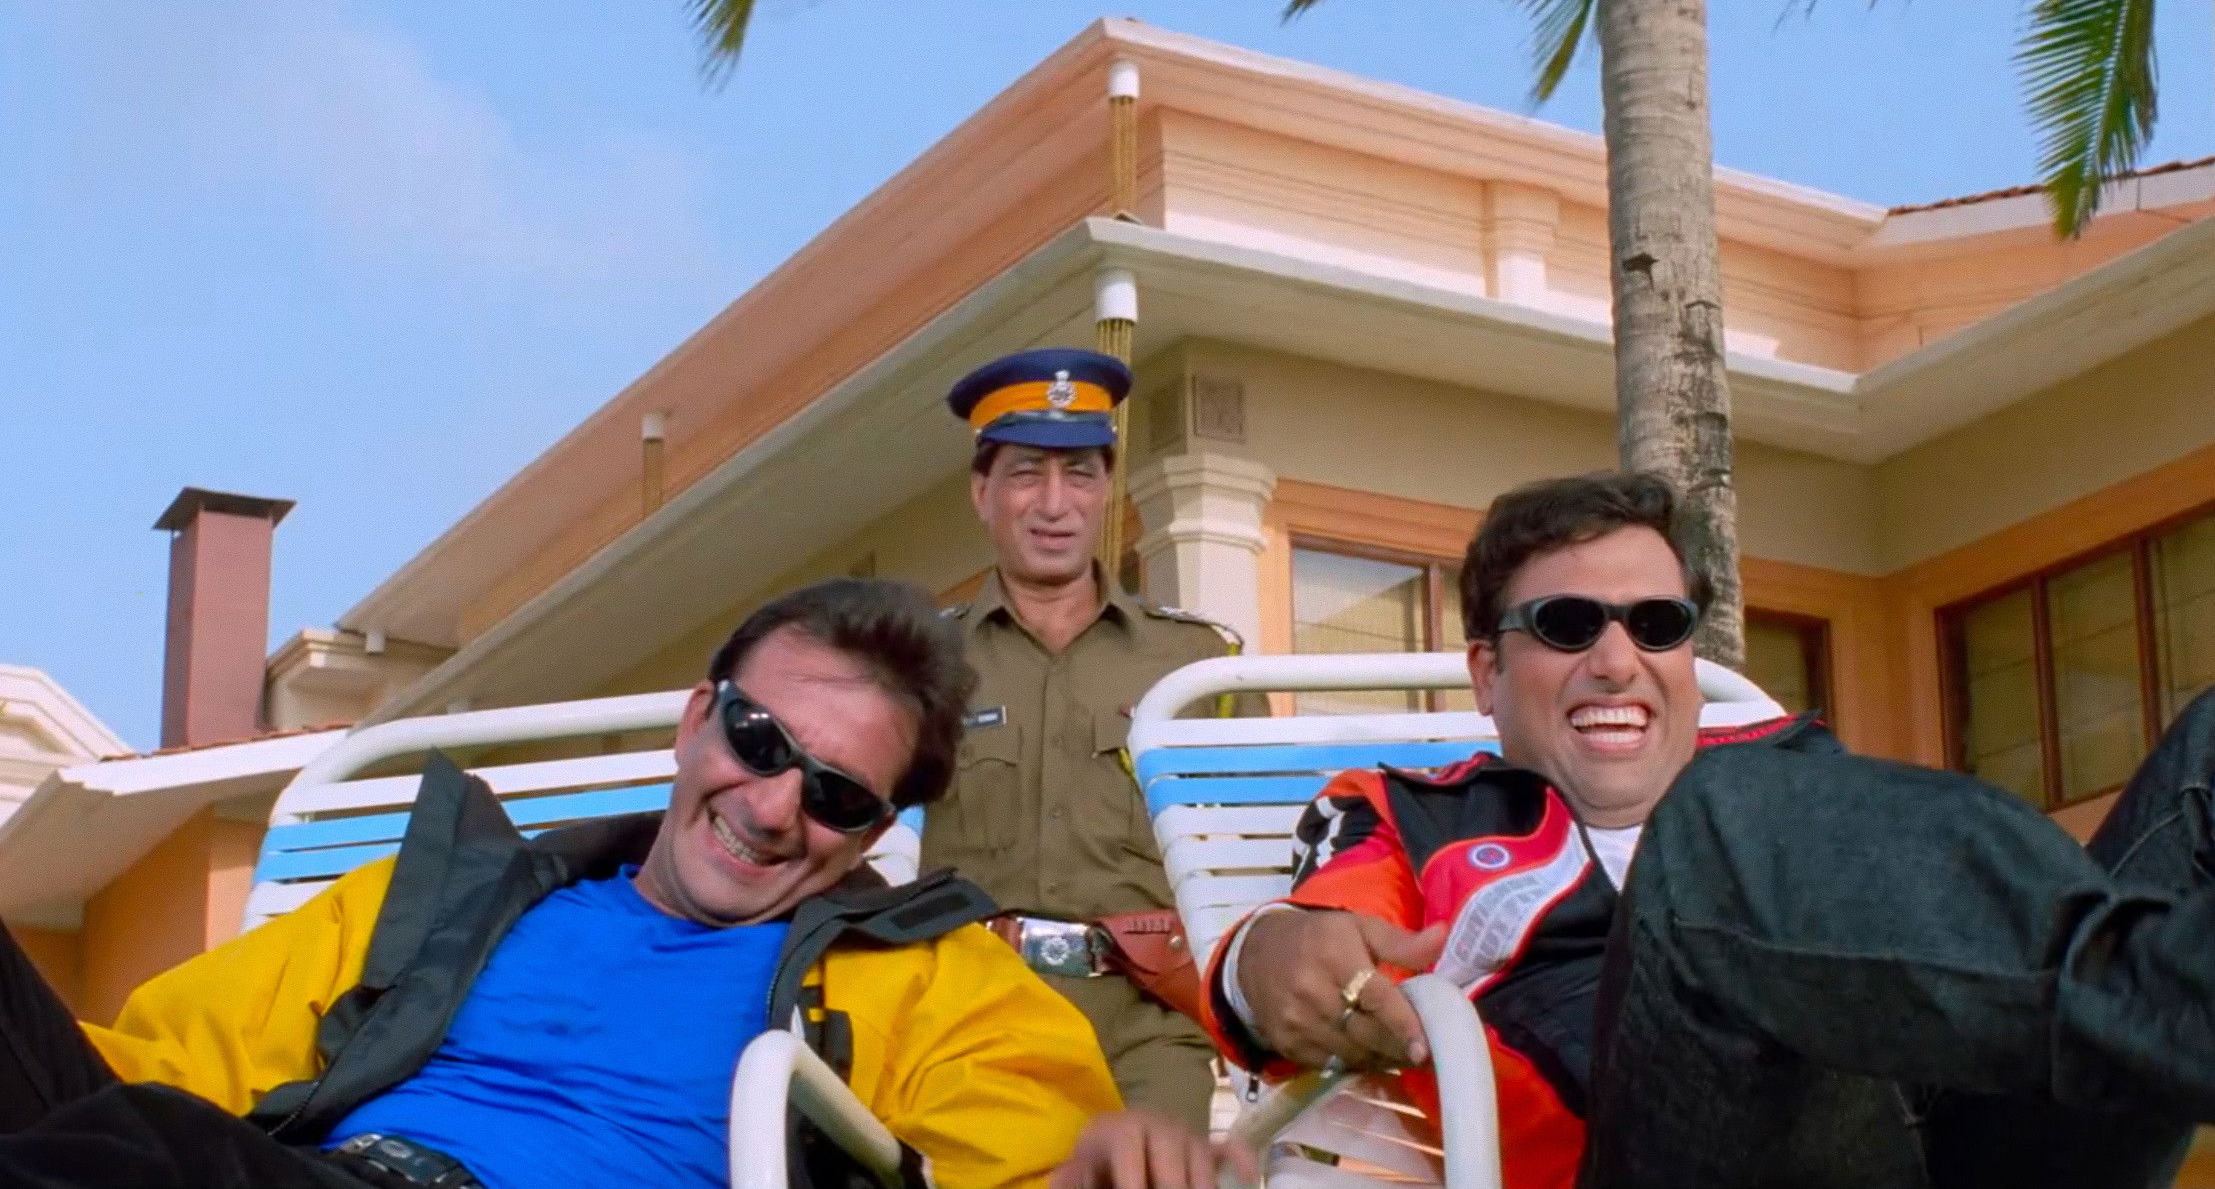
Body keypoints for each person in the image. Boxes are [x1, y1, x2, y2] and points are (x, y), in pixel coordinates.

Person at [0, 578, 1240, 1189]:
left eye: (836, 794)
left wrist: (1097, 1167)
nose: (773, 806)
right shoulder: (432, 901)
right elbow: (155, 1064)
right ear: (699, 719)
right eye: (757, 739)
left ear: (875, 830)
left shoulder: (943, 988)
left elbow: (1029, 1163)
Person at [1206, 472, 2215, 1188]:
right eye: (1565, 625)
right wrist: (1266, 956)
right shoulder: (1407, 812)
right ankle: (2163, 999)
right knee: (1717, 819)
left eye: (1655, 625)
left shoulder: (1786, 766)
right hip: (1663, 1154)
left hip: (1984, 1136)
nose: (1617, 661)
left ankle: (2160, 995)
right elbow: (1304, 950)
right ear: (1485, 671)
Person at [927, 348, 1260, 1133]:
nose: (1055, 504)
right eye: (1025, 475)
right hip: (971, 1012)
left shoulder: (1197, 663)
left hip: (1150, 1020)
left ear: (1105, 489)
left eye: (1078, 475)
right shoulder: (920, 663)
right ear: (981, 493)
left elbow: (1257, 862)